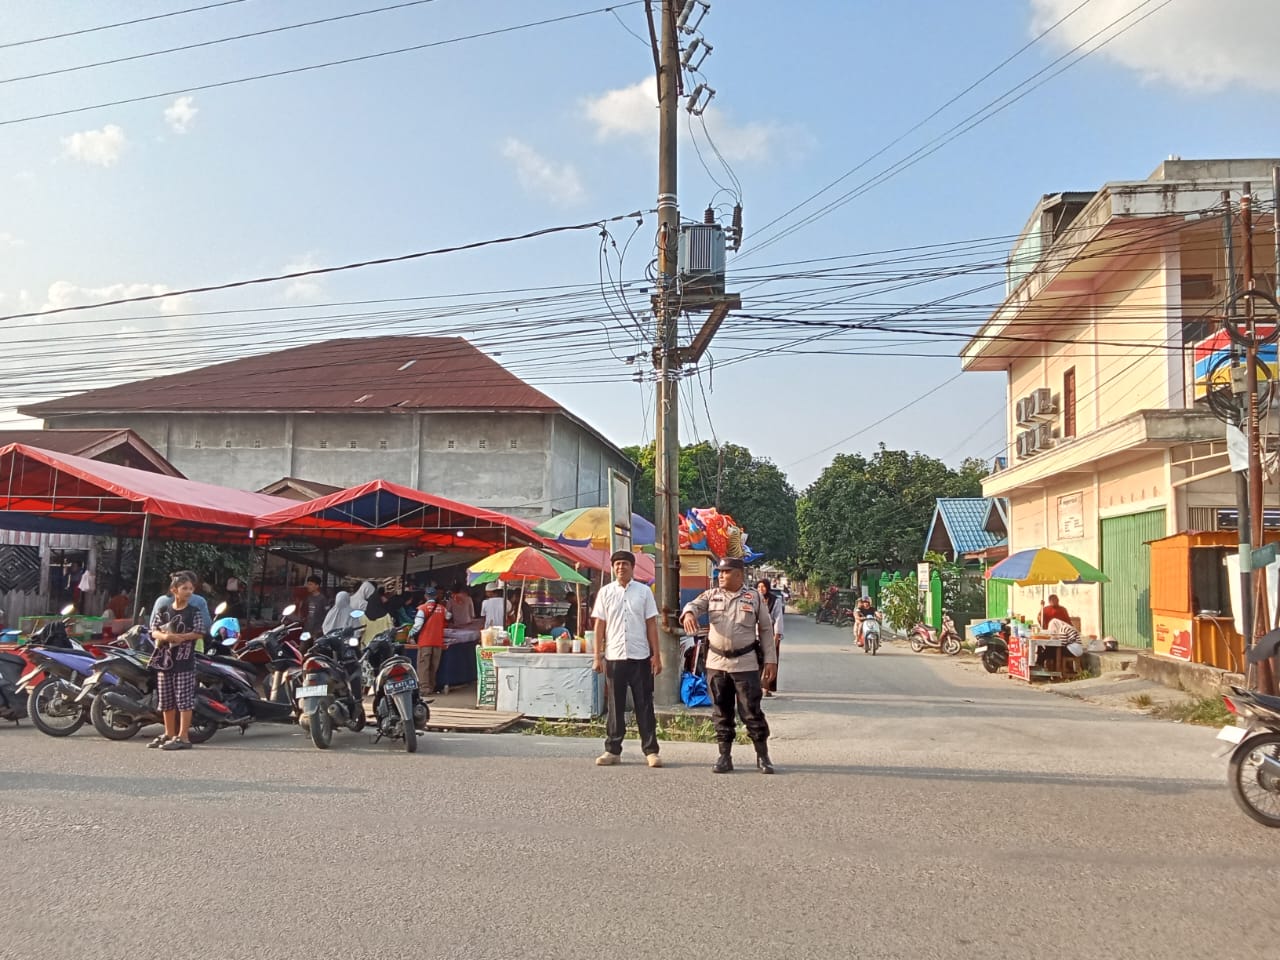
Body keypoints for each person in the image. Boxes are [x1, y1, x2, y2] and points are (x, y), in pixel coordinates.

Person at [681, 557, 777, 774]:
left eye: (726, 572)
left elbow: (765, 630)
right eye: (720, 572)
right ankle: (724, 756)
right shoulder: (711, 595)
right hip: (717, 664)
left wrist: (771, 660)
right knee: (721, 712)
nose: (721, 576)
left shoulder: (753, 598)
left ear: (739, 575)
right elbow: (695, 606)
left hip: (745, 664)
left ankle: (763, 756)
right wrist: (688, 614)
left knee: (751, 712)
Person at [591, 550, 662, 768]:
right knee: (615, 705)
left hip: (640, 656)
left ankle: (651, 751)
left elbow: (651, 624)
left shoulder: (643, 592)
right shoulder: (605, 592)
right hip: (614, 656)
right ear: (613, 568)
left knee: (644, 704)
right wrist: (597, 656)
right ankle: (613, 750)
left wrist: (656, 655)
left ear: (632, 567)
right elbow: (599, 626)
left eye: (625, 564)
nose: (621, 568)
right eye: (617, 564)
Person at [148, 572, 207, 750]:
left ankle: (184, 737)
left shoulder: (194, 611)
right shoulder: (163, 610)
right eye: (185, 588)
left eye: (190, 588)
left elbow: (200, 632)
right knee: (166, 699)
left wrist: (181, 637)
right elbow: (153, 631)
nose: (188, 592)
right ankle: (169, 733)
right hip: (164, 660)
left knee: (184, 700)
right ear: (174, 590)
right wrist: (167, 636)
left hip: (185, 661)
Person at [151, 570, 211, 650]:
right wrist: (180, 637)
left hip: (162, 648)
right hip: (191, 650)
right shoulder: (199, 601)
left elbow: (153, 627)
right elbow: (206, 627)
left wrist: (167, 636)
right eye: (185, 588)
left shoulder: (160, 600)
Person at [410, 587, 450, 694]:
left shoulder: (422, 609)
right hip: (438, 642)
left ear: (425, 596)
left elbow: (417, 625)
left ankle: (424, 688)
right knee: (434, 665)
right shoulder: (442, 608)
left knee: (424, 665)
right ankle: (431, 687)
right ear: (436, 596)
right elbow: (449, 616)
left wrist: (410, 634)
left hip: (425, 642)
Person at [756, 579, 785, 696]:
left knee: (771, 660)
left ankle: (767, 687)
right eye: (758, 587)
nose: (761, 589)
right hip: (756, 632)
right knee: (757, 660)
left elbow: (778, 618)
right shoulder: (753, 599)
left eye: (763, 587)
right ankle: (757, 685)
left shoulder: (775, 600)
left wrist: (777, 635)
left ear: (768, 587)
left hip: (771, 632)